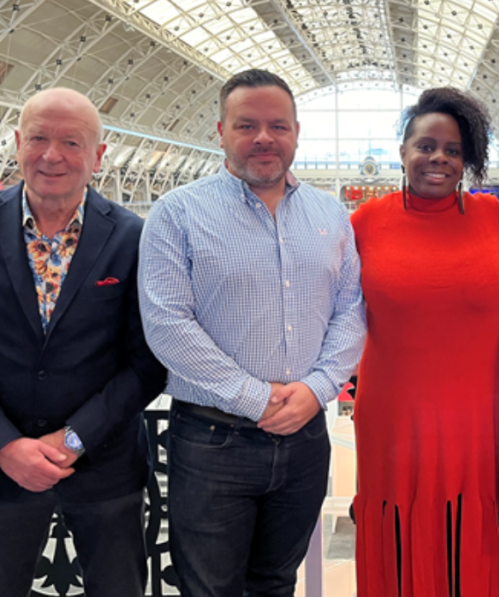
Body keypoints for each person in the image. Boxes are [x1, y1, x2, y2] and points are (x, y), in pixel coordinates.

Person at [0, 87, 167, 597]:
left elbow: (147, 362)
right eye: (38, 138)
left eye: (71, 142)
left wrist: (74, 438)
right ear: (16, 143)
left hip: (103, 469)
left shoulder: (133, 237)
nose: (51, 155)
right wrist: (7, 447)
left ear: (98, 156)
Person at [137, 68, 365, 597]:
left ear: (296, 132)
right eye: (247, 125)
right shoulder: (178, 212)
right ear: (220, 131)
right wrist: (255, 398)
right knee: (209, 589)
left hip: (306, 437)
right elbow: (167, 323)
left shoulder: (330, 214)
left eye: (277, 125)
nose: (264, 138)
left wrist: (316, 389)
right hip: (213, 440)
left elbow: (351, 309)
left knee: (275, 585)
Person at [350, 87, 499, 597]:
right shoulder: (364, 224)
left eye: (452, 150)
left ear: (466, 160)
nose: (439, 159)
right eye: (426, 146)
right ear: (403, 151)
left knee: (465, 543)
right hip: (393, 421)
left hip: (475, 420)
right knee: (397, 540)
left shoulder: (497, 221)